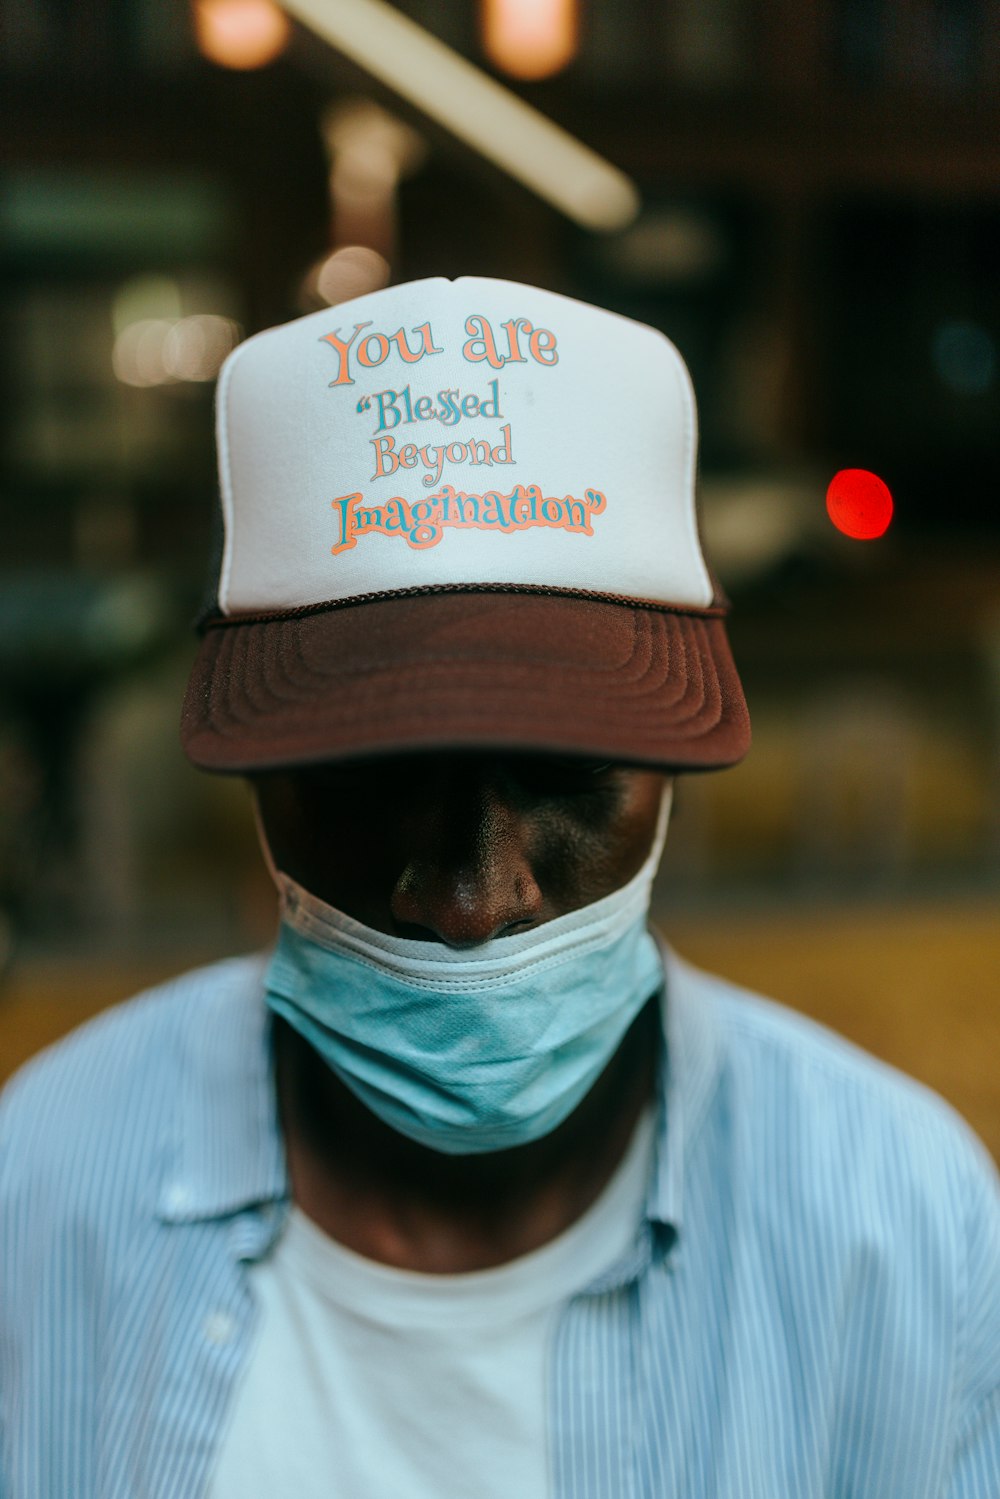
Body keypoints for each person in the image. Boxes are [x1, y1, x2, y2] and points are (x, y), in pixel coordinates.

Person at [1, 277, 997, 1499]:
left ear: (664, 779)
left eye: (564, 773)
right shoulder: (40, 1195)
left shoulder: (896, 1233)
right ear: (260, 784)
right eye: (372, 776)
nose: (473, 902)